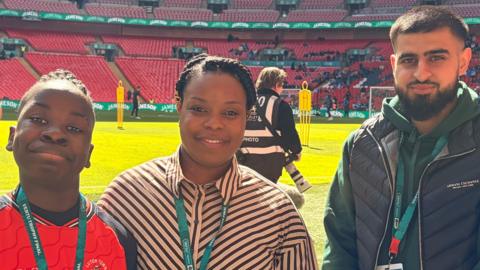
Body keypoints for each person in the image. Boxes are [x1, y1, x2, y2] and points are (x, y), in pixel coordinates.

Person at [97, 54, 318, 269]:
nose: (214, 123)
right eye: (199, 109)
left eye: (230, 112)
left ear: (246, 117)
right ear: (179, 106)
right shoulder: (125, 197)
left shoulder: (280, 214)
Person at [322, 6, 480, 270]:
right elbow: (340, 242)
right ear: (394, 64)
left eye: (436, 58)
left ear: (463, 61)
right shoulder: (363, 142)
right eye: (409, 60)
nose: (421, 73)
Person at [0, 69, 137, 269]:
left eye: (74, 128)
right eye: (39, 119)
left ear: (88, 155)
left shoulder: (117, 239)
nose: (55, 134)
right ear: (12, 137)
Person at [238, 67, 302, 183]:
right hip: (269, 163)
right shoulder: (280, 105)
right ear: (277, 84)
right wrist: (297, 151)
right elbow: (289, 133)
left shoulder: (244, 102)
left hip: (242, 161)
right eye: (282, 85)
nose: (282, 89)